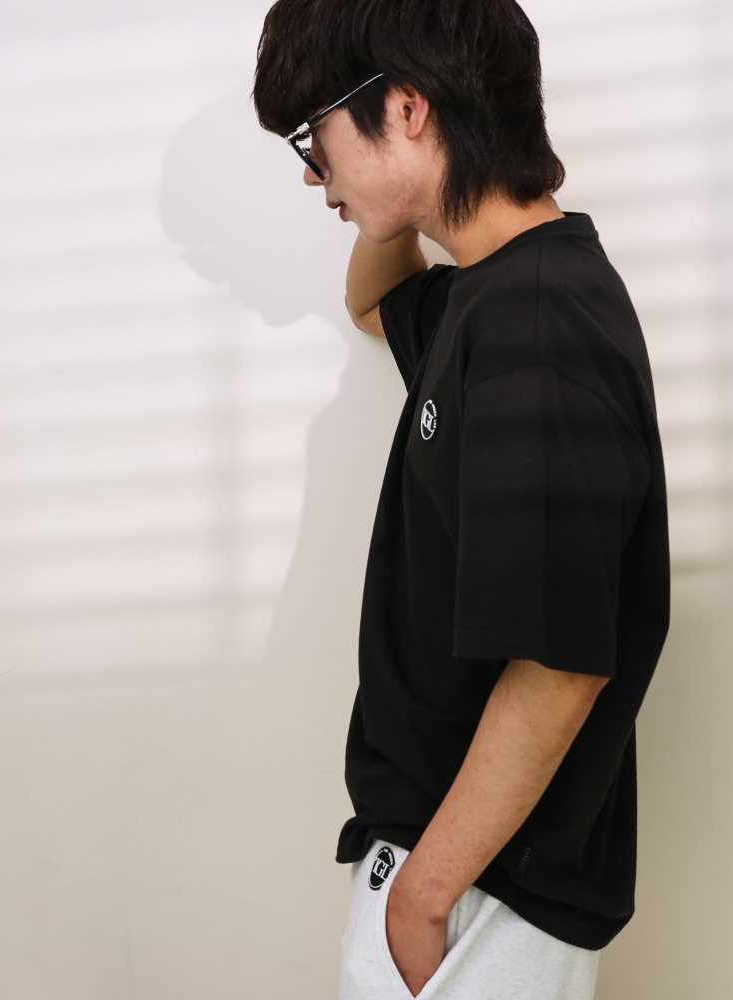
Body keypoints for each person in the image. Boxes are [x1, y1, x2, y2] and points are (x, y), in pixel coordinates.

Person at [253, 2, 670, 997]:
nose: (313, 176)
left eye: (314, 136)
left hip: (477, 893)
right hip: (456, 873)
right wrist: (394, 196)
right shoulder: (486, 296)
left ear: (406, 108)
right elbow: (370, 302)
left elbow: (560, 665)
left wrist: (422, 897)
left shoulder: (537, 326)